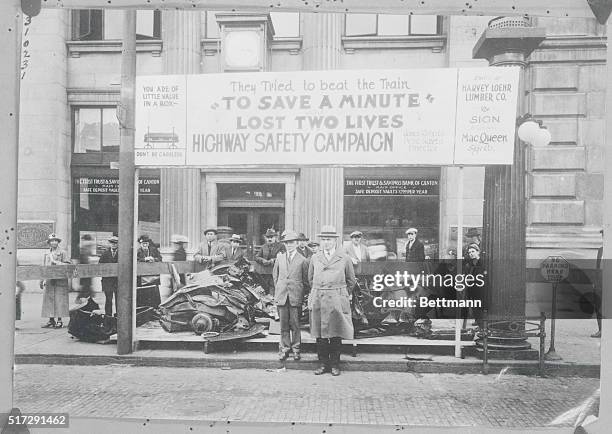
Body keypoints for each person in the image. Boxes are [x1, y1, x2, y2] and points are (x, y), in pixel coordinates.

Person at [308, 225, 356, 376]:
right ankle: (323, 364)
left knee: (336, 333)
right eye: (323, 240)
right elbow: (310, 279)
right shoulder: (315, 258)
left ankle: (335, 365)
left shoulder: (344, 258)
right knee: (320, 334)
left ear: (335, 241)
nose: (326, 243)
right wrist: (318, 291)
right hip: (319, 298)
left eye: (329, 239)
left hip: (336, 298)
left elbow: (351, 280)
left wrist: (341, 294)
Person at [273, 231, 310, 361]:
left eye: (292, 243)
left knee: (295, 324)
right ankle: (284, 349)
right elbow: (275, 276)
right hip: (282, 295)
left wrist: (301, 295)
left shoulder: (303, 260)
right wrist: (279, 290)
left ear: (297, 243)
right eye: (287, 243)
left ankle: (296, 349)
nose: (289, 245)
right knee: (283, 325)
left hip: (295, 296)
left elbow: (306, 281)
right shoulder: (280, 258)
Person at [40, 233, 71, 328]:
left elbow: (69, 266)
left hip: (60, 280)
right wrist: (41, 280)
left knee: (59, 300)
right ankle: (51, 320)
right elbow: (43, 268)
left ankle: (60, 320)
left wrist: (57, 263)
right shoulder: (46, 254)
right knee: (49, 300)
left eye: (56, 240)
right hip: (49, 280)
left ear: (58, 242)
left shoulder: (63, 252)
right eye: (52, 241)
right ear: (49, 243)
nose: (54, 242)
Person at [254, 228, 284, 295]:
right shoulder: (263, 247)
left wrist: (273, 260)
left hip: (276, 272)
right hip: (264, 273)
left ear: (275, 237)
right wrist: (262, 260)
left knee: (273, 289)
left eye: (271, 237)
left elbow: (283, 257)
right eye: (268, 237)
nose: (269, 239)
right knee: (264, 289)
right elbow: (256, 257)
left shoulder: (281, 246)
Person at [462, 243, 485, 329]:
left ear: (478, 252)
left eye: (473, 251)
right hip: (471, 289)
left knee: (479, 310)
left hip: (479, 290)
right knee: (475, 309)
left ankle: (482, 327)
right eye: (469, 252)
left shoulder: (482, 263)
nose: (471, 253)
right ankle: (480, 326)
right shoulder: (470, 264)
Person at [98, 236, 119, 316]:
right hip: (107, 281)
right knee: (108, 299)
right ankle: (108, 316)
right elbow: (99, 266)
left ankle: (118, 316)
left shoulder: (122, 253)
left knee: (118, 299)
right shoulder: (105, 253)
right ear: (110, 244)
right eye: (112, 243)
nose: (114, 245)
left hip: (118, 281)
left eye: (115, 243)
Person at [76, 234, 96, 303]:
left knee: (86, 285)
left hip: (86, 271)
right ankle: (80, 298)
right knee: (86, 285)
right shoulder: (84, 250)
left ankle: (86, 298)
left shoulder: (84, 249)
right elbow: (84, 260)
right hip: (85, 270)